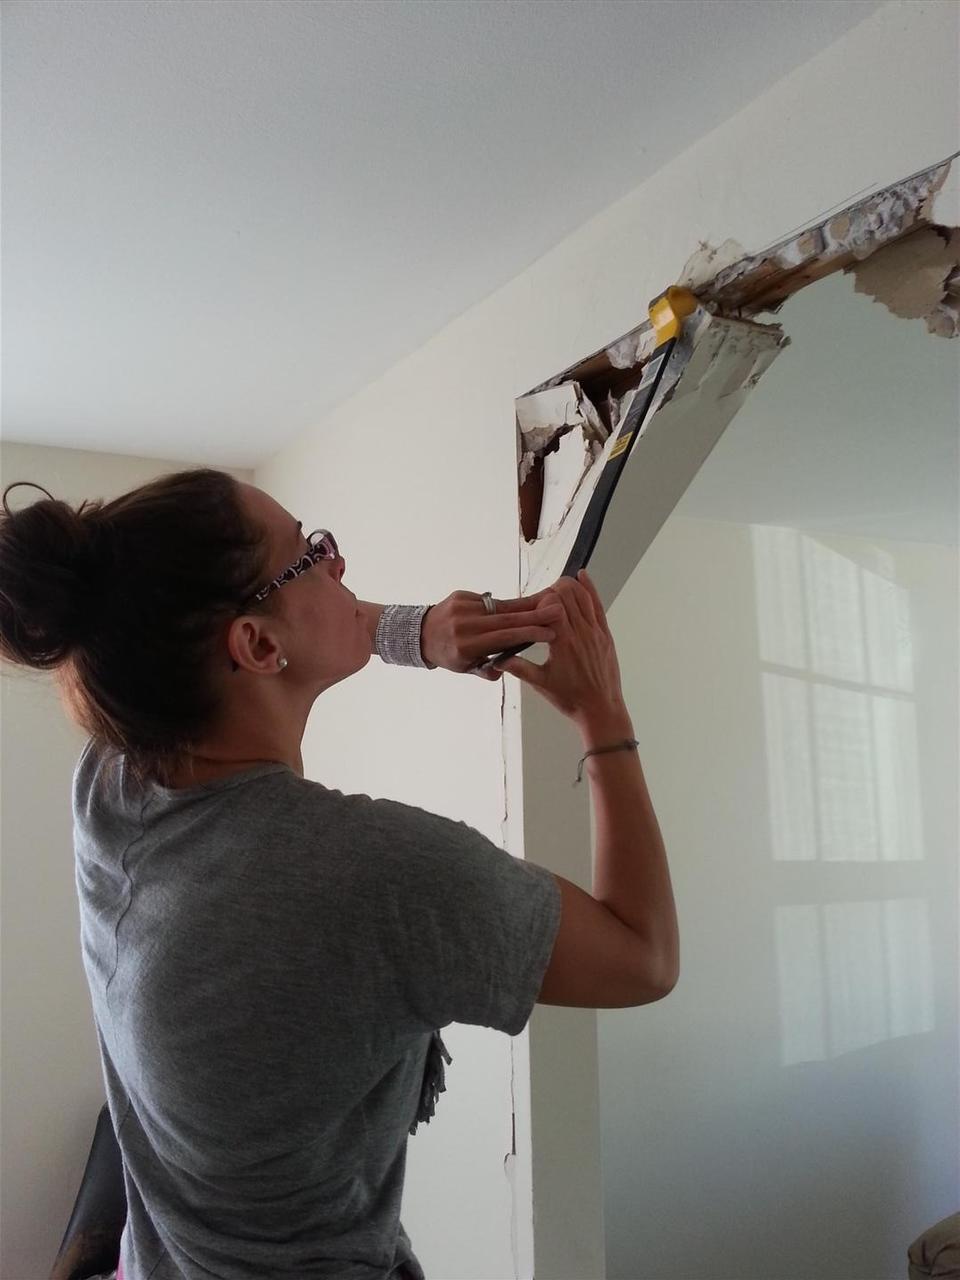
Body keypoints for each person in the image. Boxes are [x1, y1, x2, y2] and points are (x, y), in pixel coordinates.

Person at [0, 467, 678, 1279]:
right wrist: (602, 713)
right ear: (257, 646)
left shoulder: (116, 779)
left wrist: (417, 633)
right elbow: (642, 957)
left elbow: (276, 632)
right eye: (311, 554)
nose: (338, 563)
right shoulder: (373, 876)